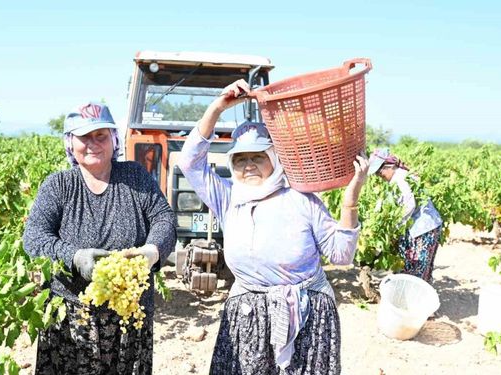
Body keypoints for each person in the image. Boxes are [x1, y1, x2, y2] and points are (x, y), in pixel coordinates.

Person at [177, 80, 369, 375]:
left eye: (258, 157)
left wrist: (350, 199)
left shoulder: (301, 199)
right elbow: (189, 162)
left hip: (307, 318)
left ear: (275, 159)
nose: (249, 165)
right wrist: (218, 106)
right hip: (248, 318)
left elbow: (342, 255)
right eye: (241, 159)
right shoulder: (228, 197)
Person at [23, 102, 176, 375]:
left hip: (129, 319)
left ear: (114, 140)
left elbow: (164, 219)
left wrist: (152, 252)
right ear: (70, 144)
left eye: (101, 136)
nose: (93, 144)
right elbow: (34, 238)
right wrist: (75, 257)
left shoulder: (135, 177)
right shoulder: (58, 186)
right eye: (84, 137)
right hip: (73, 322)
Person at [368, 148, 443, 283]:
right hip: (425, 227)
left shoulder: (400, 178)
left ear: (388, 167)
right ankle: (416, 299)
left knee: (416, 269)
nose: (380, 176)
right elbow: (387, 199)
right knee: (419, 269)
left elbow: (409, 205)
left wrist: (395, 227)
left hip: (423, 229)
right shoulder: (399, 176)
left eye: (380, 172)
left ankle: (415, 301)